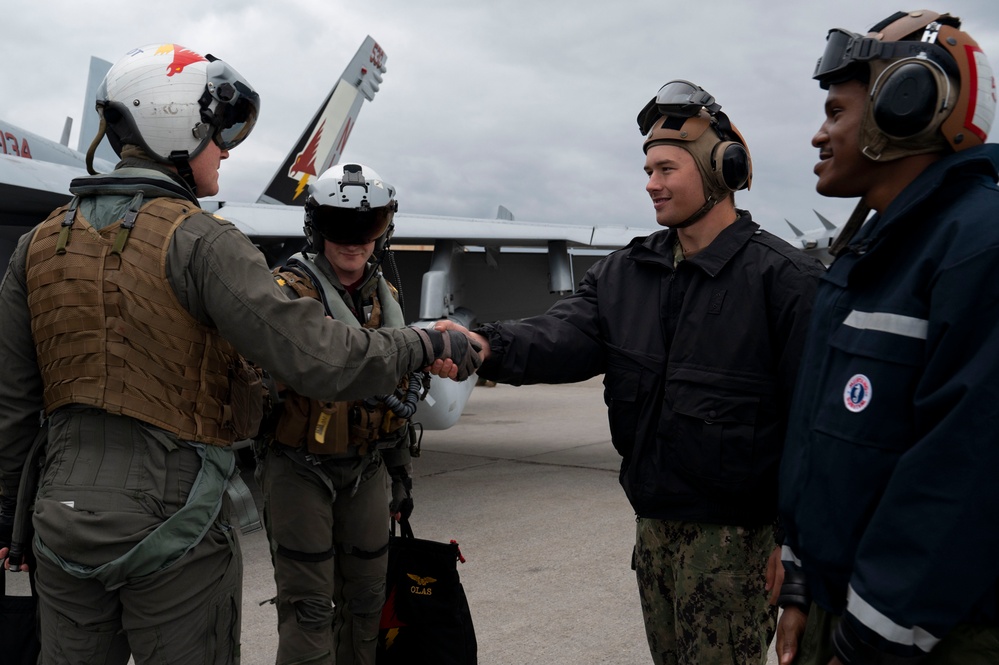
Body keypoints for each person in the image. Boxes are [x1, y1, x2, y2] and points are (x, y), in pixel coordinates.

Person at [0, 44, 478, 665]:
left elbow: (13, 402)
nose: (225, 149)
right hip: (173, 523)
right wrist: (426, 340)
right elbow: (320, 357)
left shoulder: (36, 246)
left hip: (60, 522)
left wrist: (13, 517)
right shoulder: (202, 241)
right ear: (180, 128)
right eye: (217, 133)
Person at [435, 81, 824, 664]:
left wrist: (795, 550)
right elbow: (562, 335)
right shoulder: (627, 275)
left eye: (666, 168)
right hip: (654, 536)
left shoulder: (783, 282)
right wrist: (483, 344)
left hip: (737, 548)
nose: (651, 183)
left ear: (722, 170)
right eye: (647, 168)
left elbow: (815, 434)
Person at [775, 10, 999, 665]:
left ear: (907, 106)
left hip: (921, 638)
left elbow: (965, 474)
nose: (819, 133)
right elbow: (821, 438)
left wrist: (872, 637)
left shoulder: (977, 247)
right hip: (850, 615)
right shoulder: (865, 258)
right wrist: (798, 575)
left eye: (836, 111)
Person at [254, 163, 421, 665]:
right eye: (339, 226)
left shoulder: (384, 297)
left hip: (366, 465)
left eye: (366, 227)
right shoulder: (284, 291)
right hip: (299, 466)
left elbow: (397, 394)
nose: (353, 242)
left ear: (383, 230)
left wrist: (401, 478)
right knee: (308, 606)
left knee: (369, 598)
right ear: (316, 226)